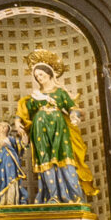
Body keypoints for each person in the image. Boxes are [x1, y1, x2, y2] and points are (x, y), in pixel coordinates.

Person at [20, 58, 86, 206]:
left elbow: (72, 108)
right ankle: (52, 196)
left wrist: (74, 116)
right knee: (45, 160)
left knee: (64, 157)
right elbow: (25, 114)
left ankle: (74, 197)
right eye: (36, 76)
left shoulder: (60, 92)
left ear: (49, 74)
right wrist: (18, 124)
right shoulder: (35, 96)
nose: (39, 78)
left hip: (59, 128)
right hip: (39, 130)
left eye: (41, 74)